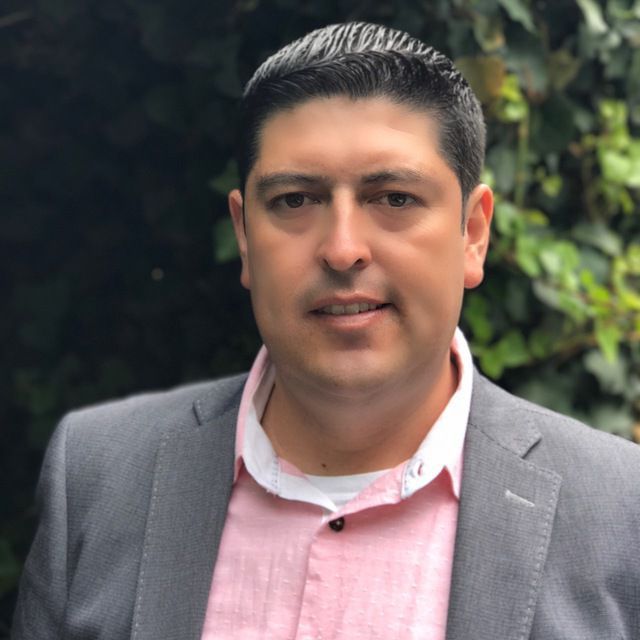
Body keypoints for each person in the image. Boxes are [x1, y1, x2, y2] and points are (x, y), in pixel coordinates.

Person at [12, 21, 640, 640]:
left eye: (393, 197)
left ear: (472, 233)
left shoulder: (620, 512)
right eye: (294, 200)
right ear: (245, 237)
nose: (342, 250)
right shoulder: (98, 476)